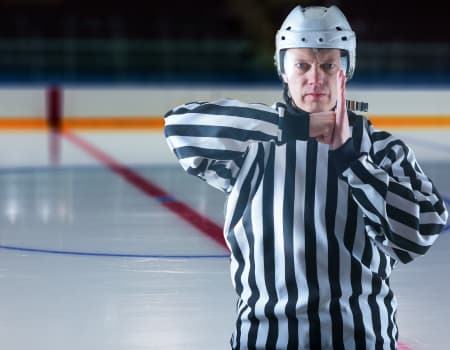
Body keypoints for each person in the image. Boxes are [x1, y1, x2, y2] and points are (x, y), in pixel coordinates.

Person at [164, 5, 448, 350]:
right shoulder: (253, 148)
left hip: (361, 339)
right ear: (283, 70)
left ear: (347, 68)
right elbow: (179, 126)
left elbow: (417, 234)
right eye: (301, 65)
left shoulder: (383, 150)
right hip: (267, 340)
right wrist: (295, 126)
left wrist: (353, 163)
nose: (315, 78)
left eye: (329, 64)